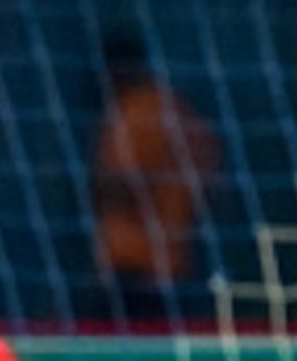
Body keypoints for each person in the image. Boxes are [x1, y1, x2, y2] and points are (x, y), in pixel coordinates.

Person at [91, 31, 217, 322]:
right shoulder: (181, 112)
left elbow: (123, 188)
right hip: (177, 263)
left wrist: (92, 191)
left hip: (133, 265)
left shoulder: (133, 114)